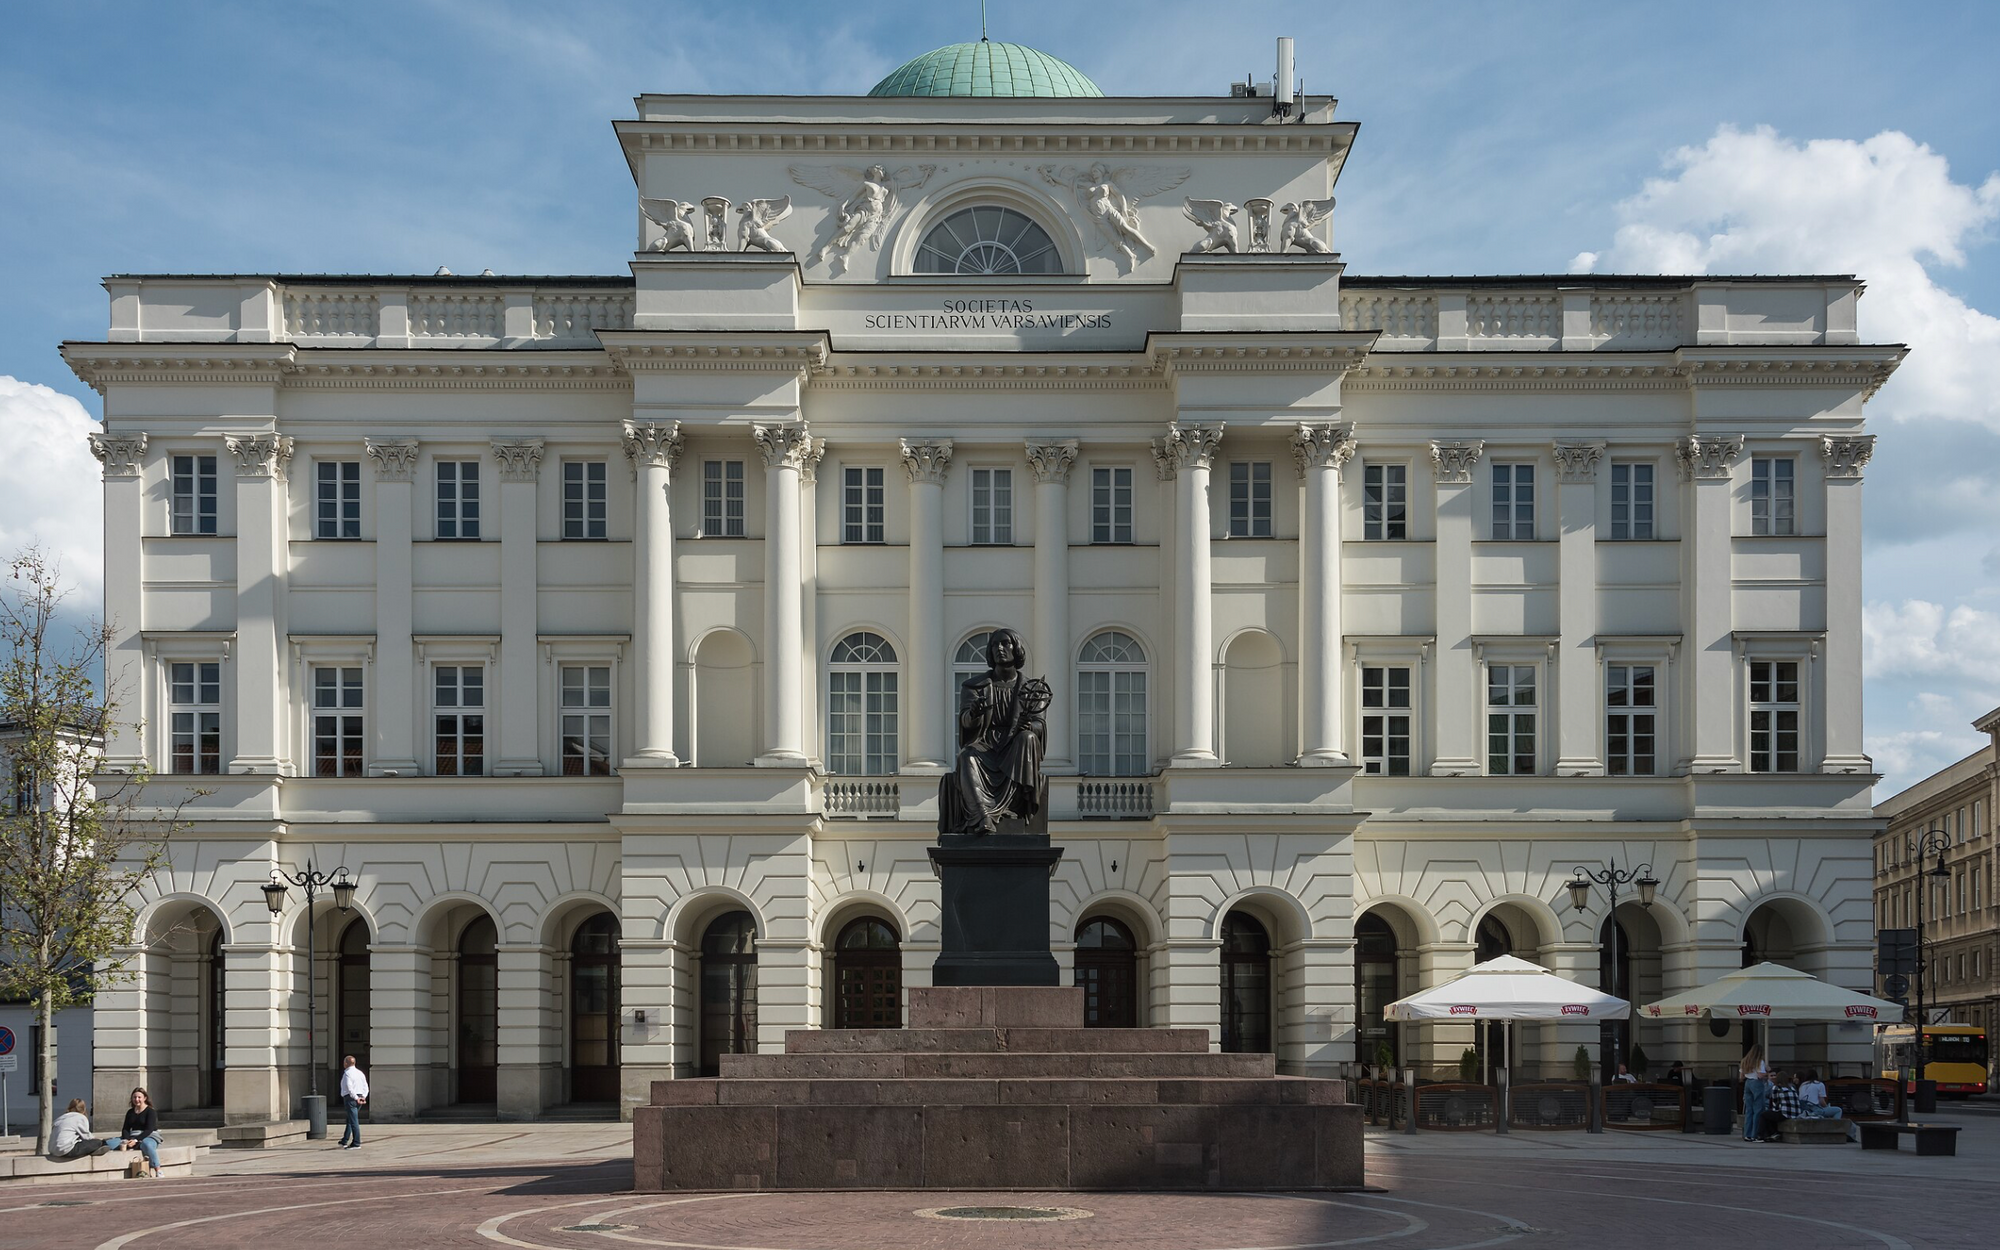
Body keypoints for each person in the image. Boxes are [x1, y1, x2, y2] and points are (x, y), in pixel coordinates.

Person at [113, 1087, 163, 1177]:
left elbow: (149, 1129)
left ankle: (158, 1169)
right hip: (133, 1136)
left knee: (147, 1145)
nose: (137, 1100)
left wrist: (136, 1140)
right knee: (112, 1143)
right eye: (134, 1097)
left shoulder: (151, 1112)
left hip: (149, 1136)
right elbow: (125, 1129)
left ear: (145, 1098)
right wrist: (127, 1140)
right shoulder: (130, 1112)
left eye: (139, 1097)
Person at [1757, 1070, 1804, 1141]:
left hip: (1786, 1113)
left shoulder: (1776, 1087)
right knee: (1771, 1115)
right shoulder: (1792, 1087)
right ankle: (1774, 1133)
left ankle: (1761, 1135)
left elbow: (1775, 1104)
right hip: (1796, 1113)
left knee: (1764, 1115)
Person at [337, 1053, 369, 1149]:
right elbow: (366, 1087)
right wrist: (363, 1096)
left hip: (351, 1098)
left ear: (346, 1063)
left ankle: (356, 1142)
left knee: (354, 1121)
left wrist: (355, 1097)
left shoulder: (347, 1073)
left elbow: (349, 1087)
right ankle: (345, 1139)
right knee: (350, 1119)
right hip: (359, 1096)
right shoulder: (360, 1073)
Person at [1739, 1045, 1770, 1142]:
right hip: (1756, 1083)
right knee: (1758, 1109)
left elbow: (1741, 1077)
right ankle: (1755, 1135)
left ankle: (1747, 1134)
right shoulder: (1759, 1061)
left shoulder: (1745, 1060)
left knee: (1749, 1110)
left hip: (1747, 1083)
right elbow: (1760, 1075)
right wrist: (1768, 1071)